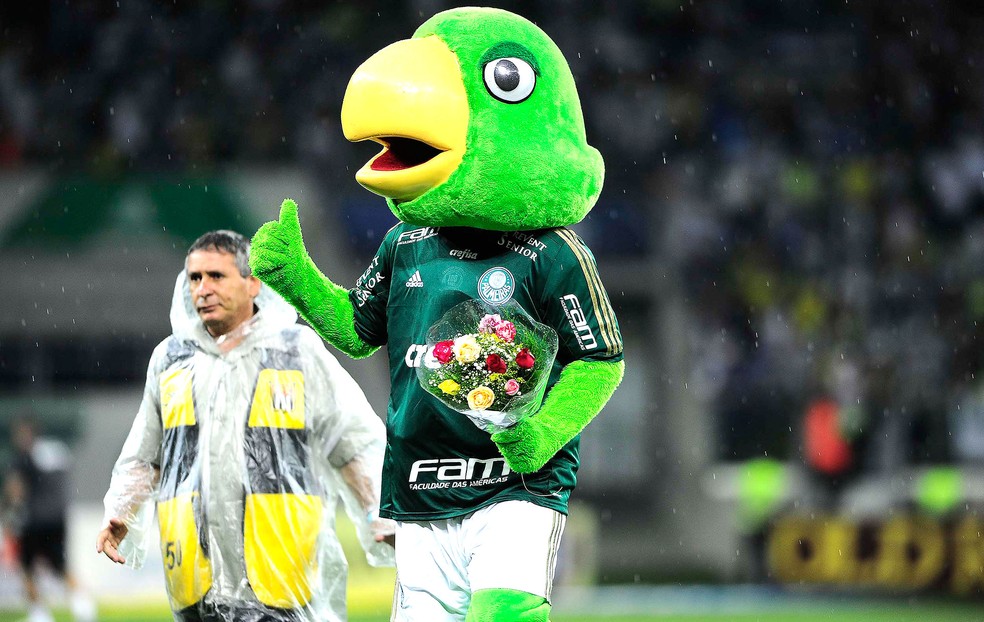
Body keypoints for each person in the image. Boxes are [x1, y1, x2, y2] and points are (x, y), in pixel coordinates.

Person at [96, 230, 394, 622]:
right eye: (195, 278)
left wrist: (379, 510)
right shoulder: (170, 359)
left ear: (253, 283)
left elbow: (351, 442)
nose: (202, 289)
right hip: (194, 572)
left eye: (216, 276)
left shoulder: (295, 351)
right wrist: (122, 512)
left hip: (281, 569)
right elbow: (144, 456)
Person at [5, 417, 97, 622]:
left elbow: (16, 488)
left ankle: (39, 615)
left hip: (33, 520)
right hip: (58, 517)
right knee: (62, 566)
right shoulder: (57, 450)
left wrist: (11, 513)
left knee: (27, 568)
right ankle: (84, 609)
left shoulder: (24, 455)